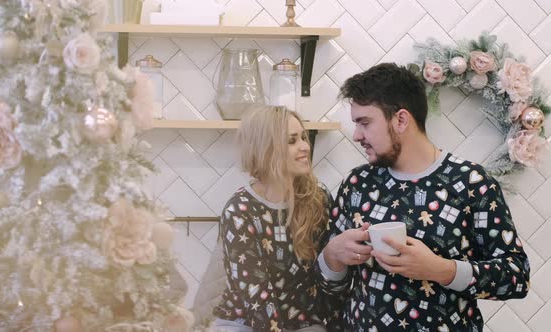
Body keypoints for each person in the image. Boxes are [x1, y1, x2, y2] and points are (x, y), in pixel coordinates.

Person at [315, 63, 530, 332]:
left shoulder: (471, 183)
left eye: (365, 123)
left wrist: (442, 269)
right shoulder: (357, 184)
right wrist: (332, 255)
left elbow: (516, 277)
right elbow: (329, 290)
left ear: (401, 120)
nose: (357, 135)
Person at [212, 106, 342, 331]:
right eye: (292, 141)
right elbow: (257, 299)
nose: (304, 146)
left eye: (303, 137)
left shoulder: (318, 198)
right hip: (248, 323)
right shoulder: (240, 210)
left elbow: (327, 276)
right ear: (266, 149)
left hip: (305, 320)